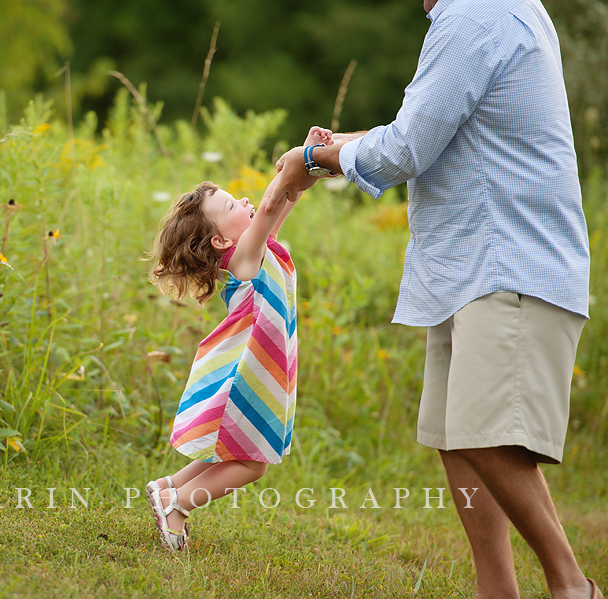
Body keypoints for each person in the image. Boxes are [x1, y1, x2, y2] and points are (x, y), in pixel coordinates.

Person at [266, 0, 601, 597]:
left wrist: (313, 161)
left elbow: (403, 152)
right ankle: (495, 590)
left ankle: (572, 585)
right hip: (468, 267)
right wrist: (339, 146)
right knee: (454, 435)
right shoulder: (493, 9)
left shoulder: (476, 13)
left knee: (481, 434)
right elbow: (430, 132)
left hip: (509, 263)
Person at [145, 127, 333, 551]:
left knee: (233, 452)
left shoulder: (259, 247)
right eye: (232, 204)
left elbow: (285, 199)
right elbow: (269, 202)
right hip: (247, 373)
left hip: (265, 369)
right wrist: (297, 160)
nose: (245, 201)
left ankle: (167, 487)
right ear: (221, 241)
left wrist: (314, 156)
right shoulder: (245, 258)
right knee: (251, 464)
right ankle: (177, 503)